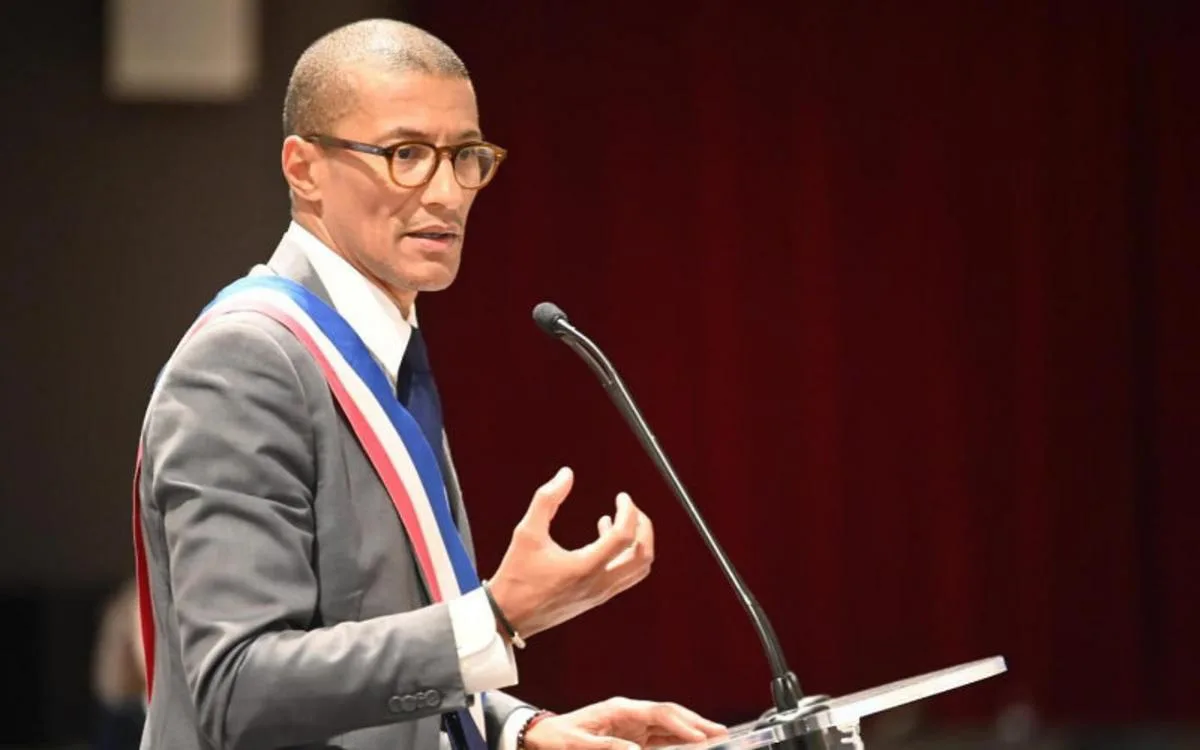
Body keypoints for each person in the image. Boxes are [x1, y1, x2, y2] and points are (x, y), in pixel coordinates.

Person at [132, 17, 728, 750]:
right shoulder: (245, 363)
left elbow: (374, 639)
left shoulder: (384, 351)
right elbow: (238, 688)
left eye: (466, 156)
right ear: (303, 167)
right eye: (406, 154)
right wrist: (497, 617)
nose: (447, 193)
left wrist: (516, 729)